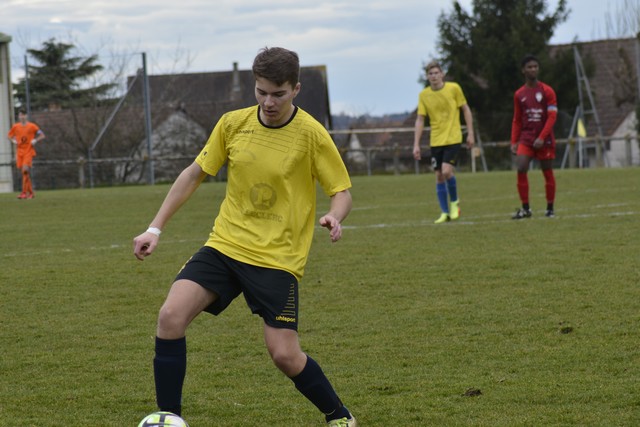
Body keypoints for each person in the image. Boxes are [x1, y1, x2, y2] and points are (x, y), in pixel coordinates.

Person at [132, 47, 356, 427]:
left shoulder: (312, 134)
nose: (268, 102)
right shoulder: (233, 124)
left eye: (278, 94)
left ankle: (340, 416)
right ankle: (168, 418)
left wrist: (335, 216)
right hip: (225, 245)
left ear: (296, 89)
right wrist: (155, 228)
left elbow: (342, 192)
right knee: (170, 316)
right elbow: (194, 174)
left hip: (276, 258)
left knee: (284, 355)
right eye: (261, 92)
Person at [413, 61, 475, 224]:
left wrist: (470, 133)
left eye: (436, 73)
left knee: (446, 171)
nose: (433, 76)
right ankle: (444, 212)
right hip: (436, 140)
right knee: (439, 176)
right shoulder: (424, 95)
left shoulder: (454, 88)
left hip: (453, 137)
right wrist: (416, 144)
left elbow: (465, 109)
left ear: (442, 74)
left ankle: (454, 203)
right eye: (430, 74)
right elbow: (420, 119)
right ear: (427, 77)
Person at [510, 54, 558, 219]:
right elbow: (517, 120)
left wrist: (542, 137)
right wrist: (514, 141)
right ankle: (526, 209)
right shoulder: (519, 94)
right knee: (521, 167)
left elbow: (552, 116)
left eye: (535, 67)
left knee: (547, 171)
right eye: (529, 67)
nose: (533, 69)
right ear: (523, 70)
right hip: (527, 138)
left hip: (545, 139)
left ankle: (550, 208)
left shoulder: (547, 91)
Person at [8, 109, 46, 199]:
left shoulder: (32, 126)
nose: (22, 117)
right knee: (24, 173)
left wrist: (35, 140)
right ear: (18, 116)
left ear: (26, 116)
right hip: (19, 152)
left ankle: (24, 193)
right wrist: (13, 141)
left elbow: (42, 135)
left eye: (24, 115)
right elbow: (9, 135)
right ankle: (31, 193)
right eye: (20, 115)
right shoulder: (15, 126)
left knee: (25, 170)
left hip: (28, 151)